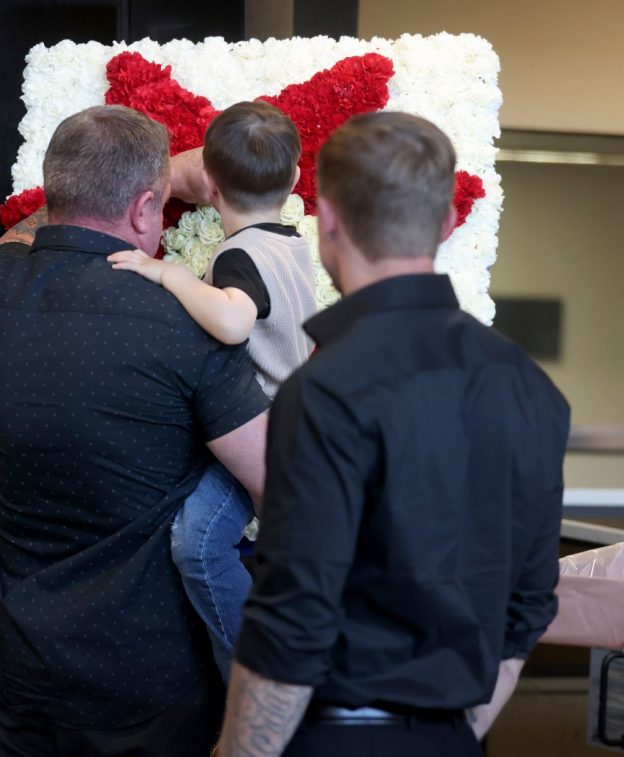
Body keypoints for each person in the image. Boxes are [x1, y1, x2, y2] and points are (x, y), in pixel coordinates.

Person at [216, 112, 571, 756]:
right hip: (454, 739)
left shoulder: (326, 388)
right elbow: (527, 605)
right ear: (442, 224)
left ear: (325, 219)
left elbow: (293, 621)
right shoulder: (530, 387)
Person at [0, 104, 271, 756]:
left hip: (23, 674)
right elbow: (282, 481)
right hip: (150, 685)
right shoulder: (181, 319)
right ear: (147, 208)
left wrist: (151, 182)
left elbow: (10, 242)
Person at [107, 101, 317, 681]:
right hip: (291, 429)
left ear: (211, 185)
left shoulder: (240, 254)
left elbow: (232, 323)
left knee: (197, 547)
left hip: (260, 433)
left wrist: (168, 274)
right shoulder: (292, 244)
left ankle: (254, 682)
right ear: (296, 179)